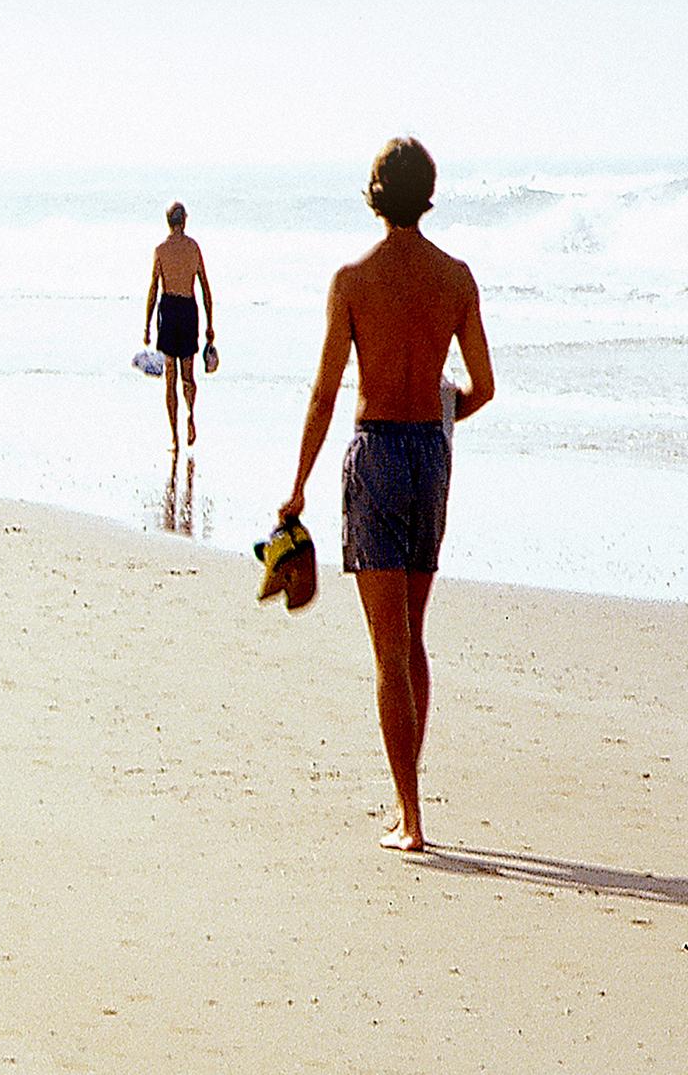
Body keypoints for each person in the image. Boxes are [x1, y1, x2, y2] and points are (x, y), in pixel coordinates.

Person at [277, 138, 495, 853]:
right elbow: (482, 388)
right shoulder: (456, 278)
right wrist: (438, 415)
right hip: (429, 457)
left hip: (373, 455)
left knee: (387, 648)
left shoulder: (352, 280)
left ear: (375, 193)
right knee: (414, 637)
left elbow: (324, 390)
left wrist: (299, 484)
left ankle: (411, 815)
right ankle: (410, 799)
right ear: (426, 192)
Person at [144, 202, 215, 450]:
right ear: (184, 220)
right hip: (188, 310)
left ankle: (174, 436)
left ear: (168, 221)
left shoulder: (161, 250)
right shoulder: (193, 248)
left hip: (169, 310)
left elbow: (153, 289)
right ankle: (191, 415)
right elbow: (205, 288)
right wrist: (210, 325)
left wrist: (147, 326)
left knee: (170, 379)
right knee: (188, 376)